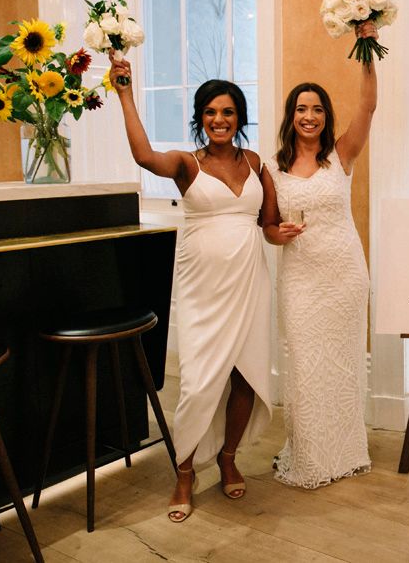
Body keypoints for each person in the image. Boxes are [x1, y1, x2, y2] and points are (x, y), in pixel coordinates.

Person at [110, 57, 273, 523]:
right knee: (199, 382)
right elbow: (145, 156)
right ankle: (184, 472)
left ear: (240, 117)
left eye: (228, 112)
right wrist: (125, 93)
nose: (219, 119)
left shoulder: (256, 163)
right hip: (203, 287)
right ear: (200, 118)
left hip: (250, 282)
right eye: (210, 112)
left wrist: (294, 232)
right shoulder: (187, 163)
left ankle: (228, 458)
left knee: (246, 376)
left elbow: (270, 224)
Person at [261, 22, 378, 488]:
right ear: (291, 117)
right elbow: (269, 228)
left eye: (317, 109)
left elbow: (368, 105)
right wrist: (281, 235)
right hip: (300, 279)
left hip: (344, 274)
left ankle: (345, 451)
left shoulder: (342, 154)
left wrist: (366, 49)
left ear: (326, 117)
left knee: (342, 365)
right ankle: (310, 456)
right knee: (306, 367)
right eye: (301, 109)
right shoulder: (273, 169)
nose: (309, 116)